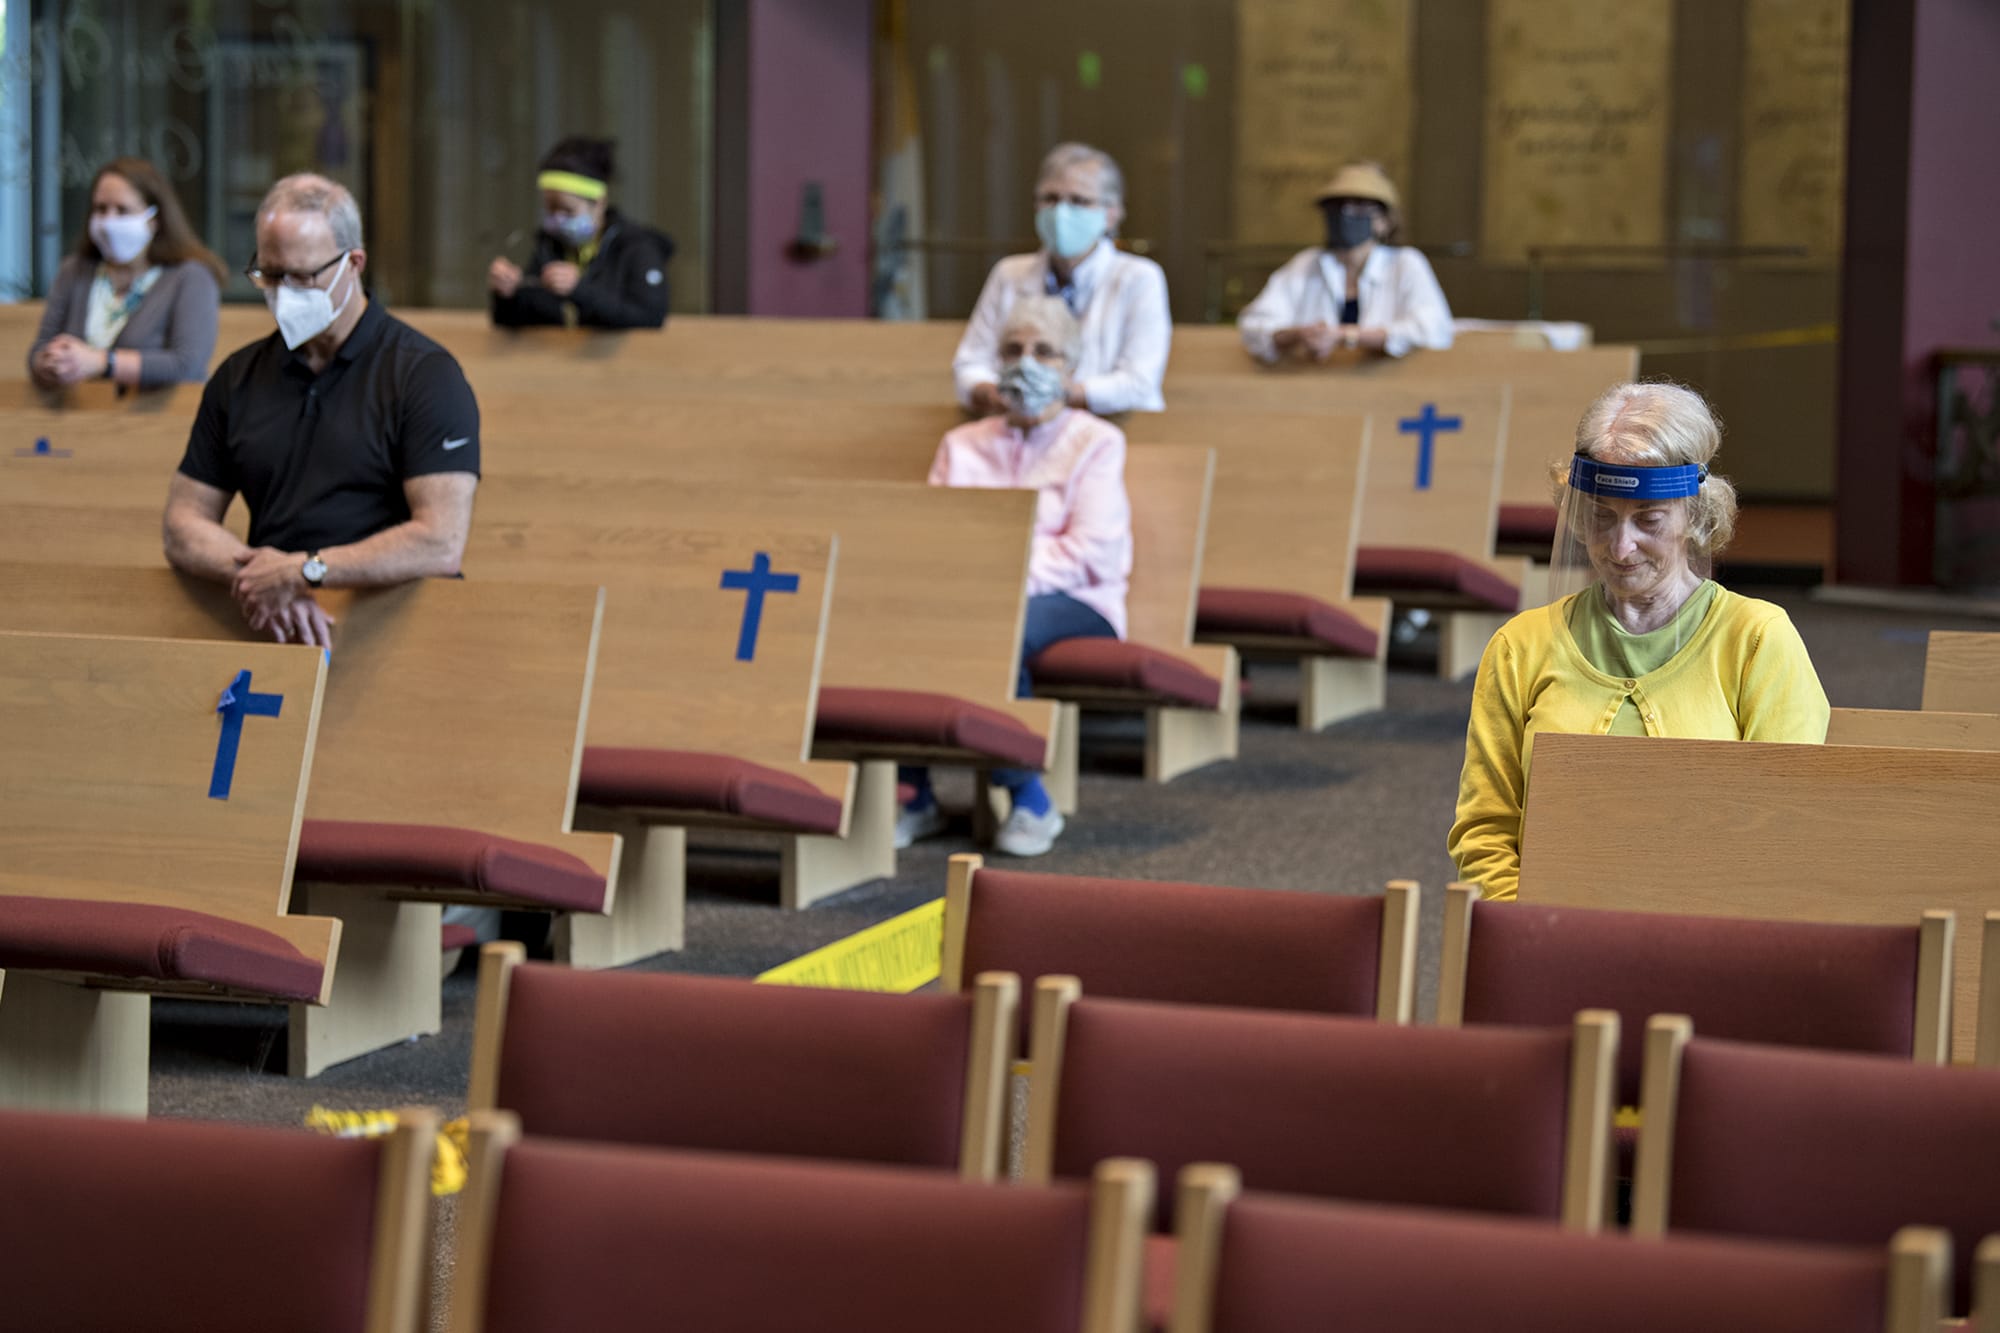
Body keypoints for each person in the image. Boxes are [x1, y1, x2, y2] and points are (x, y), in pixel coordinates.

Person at [1447, 382, 1830, 901]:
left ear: (1694, 517)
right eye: (1602, 517)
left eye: (1648, 519)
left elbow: (1787, 828)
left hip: (1711, 941)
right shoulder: (1520, 646)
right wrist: (1528, 935)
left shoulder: (1758, 640)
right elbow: (1486, 832)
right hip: (1545, 939)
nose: (1621, 547)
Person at [164, 173, 481, 651]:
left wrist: (308, 570)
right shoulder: (238, 376)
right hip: (277, 626)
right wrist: (265, 579)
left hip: (396, 631)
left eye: (300, 276)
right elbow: (183, 524)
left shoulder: (426, 375)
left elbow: (439, 541)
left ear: (353, 263)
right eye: (268, 275)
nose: (281, 292)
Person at [906, 295, 1132, 857]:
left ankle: (1029, 796)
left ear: (1070, 368)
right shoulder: (961, 446)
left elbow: (1092, 552)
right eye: (1012, 350)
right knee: (900, 624)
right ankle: (916, 795)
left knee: (1002, 631)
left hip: (1078, 600)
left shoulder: (1097, 442)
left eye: (1045, 351)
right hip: (972, 598)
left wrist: (995, 580)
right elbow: (933, 540)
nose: (1026, 362)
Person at [953, 142, 1170, 416]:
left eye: (1079, 201)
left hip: (1117, 431)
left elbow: (1139, 383)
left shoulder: (1139, 278)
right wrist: (993, 392)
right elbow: (969, 365)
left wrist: (1057, 393)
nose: (1061, 213)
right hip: (1021, 430)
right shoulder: (1009, 273)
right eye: (1051, 199)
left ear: (1111, 213)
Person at [28, 157, 223, 390]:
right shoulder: (74, 270)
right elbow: (39, 349)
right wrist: (51, 361)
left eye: (123, 210)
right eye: (101, 209)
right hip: (75, 419)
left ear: (154, 220)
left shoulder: (190, 277)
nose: (109, 221)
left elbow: (188, 364)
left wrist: (101, 362)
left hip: (157, 421)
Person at [1237, 160, 1453, 364]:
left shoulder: (1405, 264)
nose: (1344, 214)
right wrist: (1297, 334)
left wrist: (1346, 335)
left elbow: (1432, 329)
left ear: (1383, 221)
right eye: (1336, 205)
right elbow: (1254, 325)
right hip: (1315, 389)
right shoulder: (1306, 264)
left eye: (1359, 206)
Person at [488, 136, 674, 329]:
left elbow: (650, 318)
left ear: (599, 203)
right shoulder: (549, 247)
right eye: (551, 209)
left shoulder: (636, 248)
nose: (558, 218)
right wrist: (507, 294)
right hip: (554, 358)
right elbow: (519, 320)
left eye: (568, 210)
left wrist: (579, 290)